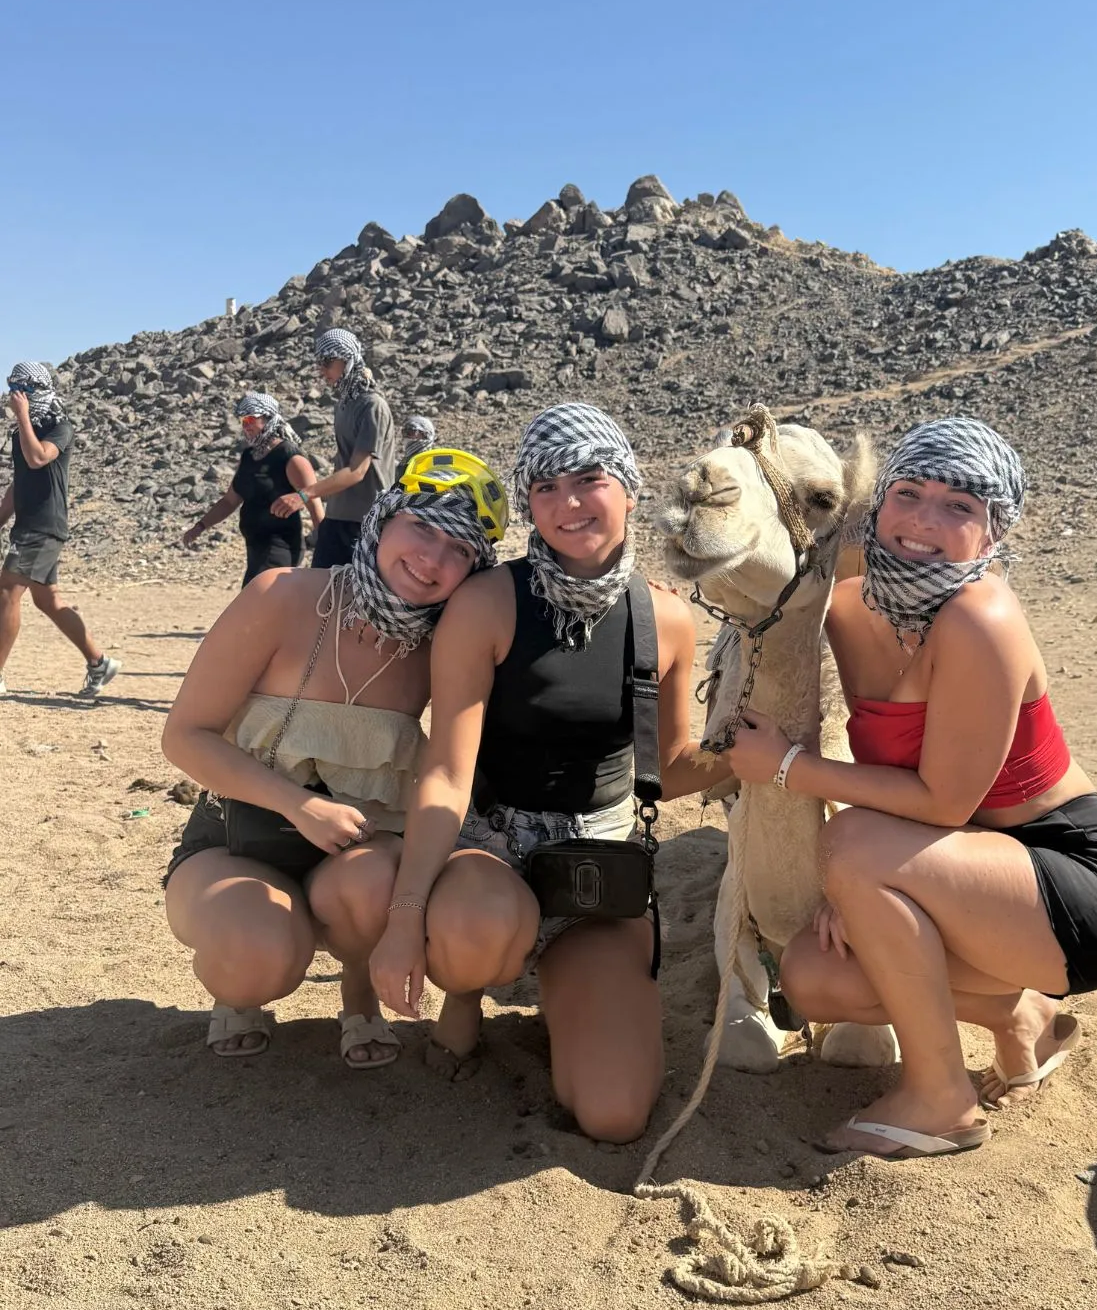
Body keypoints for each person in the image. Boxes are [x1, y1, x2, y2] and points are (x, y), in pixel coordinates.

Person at [721, 415, 1097, 1161]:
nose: (924, 521)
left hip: (1072, 882)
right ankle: (1022, 1021)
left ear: (993, 535)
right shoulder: (852, 600)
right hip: (963, 866)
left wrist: (788, 769)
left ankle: (940, 1099)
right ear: (879, 503)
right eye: (910, 493)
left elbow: (945, 803)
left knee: (849, 842)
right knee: (813, 974)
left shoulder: (982, 618)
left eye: (961, 507)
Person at [369, 403, 722, 1143]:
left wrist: (759, 758)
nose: (568, 503)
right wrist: (405, 921)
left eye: (589, 479)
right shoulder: (489, 602)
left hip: (596, 869)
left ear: (627, 486)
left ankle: (572, 994)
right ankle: (465, 996)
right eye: (545, 487)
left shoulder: (668, 619)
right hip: (488, 854)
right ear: (528, 504)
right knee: (477, 930)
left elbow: (668, 768)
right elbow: (446, 771)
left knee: (615, 1114)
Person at [161, 447, 508, 1064]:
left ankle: (358, 995)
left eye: (459, 550)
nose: (431, 560)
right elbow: (185, 735)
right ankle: (243, 992)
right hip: (237, 839)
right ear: (384, 518)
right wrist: (298, 806)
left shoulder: (445, 643)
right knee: (255, 957)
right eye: (422, 528)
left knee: (379, 882)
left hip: (358, 851)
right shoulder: (284, 596)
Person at [0, 362, 120, 700]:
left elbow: (39, 458)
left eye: (20, 389)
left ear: (35, 389)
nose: (14, 396)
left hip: (44, 524)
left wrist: (22, 416)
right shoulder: (20, 433)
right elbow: (20, 481)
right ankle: (100, 663)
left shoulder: (60, 427)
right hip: (29, 523)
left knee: (7, 590)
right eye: (12, 389)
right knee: (47, 600)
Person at [181, 393, 325, 585]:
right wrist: (200, 527)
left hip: (280, 549)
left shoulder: (289, 456)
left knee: (255, 606)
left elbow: (314, 503)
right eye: (242, 420)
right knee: (262, 610)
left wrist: (326, 549)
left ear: (267, 418)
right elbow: (229, 501)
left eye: (250, 419)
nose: (245, 426)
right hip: (255, 548)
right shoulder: (250, 456)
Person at [284, 329, 397, 571]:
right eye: (319, 363)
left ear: (347, 360)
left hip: (365, 521)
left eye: (327, 362)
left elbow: (356, 471)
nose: (322, 371)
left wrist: (303, 495)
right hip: (336, 517)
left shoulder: (372, 406)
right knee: (318, 595)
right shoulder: (345, 403)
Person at [396, 413, 436, 482]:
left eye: (411, 432)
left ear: (426, 434)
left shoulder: (431, 461)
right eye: (404, 432)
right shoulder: (405, 461)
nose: (406, 435)